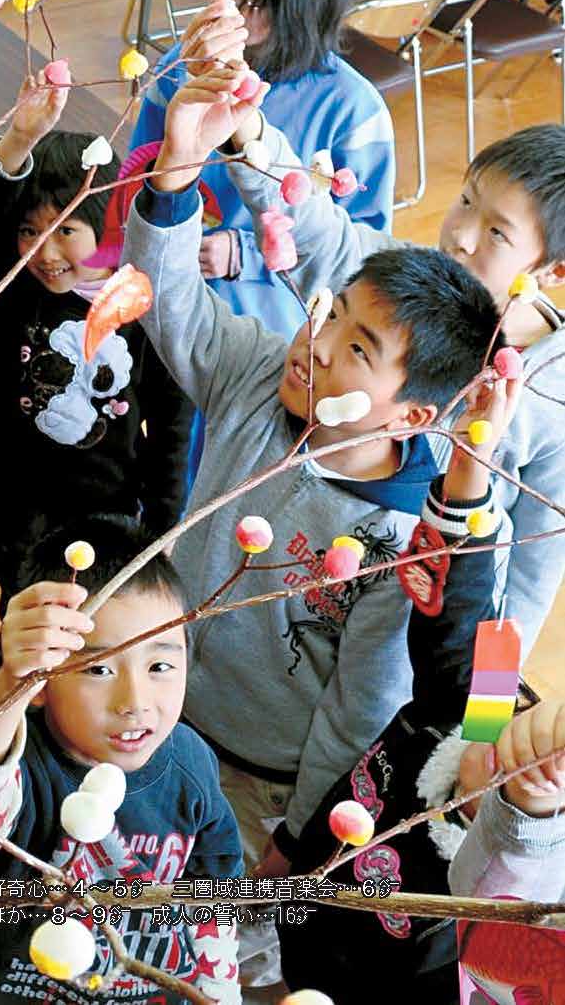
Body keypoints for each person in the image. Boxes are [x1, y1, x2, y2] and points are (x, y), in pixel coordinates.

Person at [124, 56, 499, 1000]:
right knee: (128, 903)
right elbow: (170, 305)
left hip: (261, 782)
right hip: (157, 715)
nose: (316, 343)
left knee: (216, 949)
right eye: (329, 315)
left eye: (356, 350)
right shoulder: (261, 374)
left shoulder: (396, 538)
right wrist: (176, 169)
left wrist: (296, 836)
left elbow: (357, 709)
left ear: (413, 415)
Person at [217, 0, 565, 653]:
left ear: (553, 271)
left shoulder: (552, 403)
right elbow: (317, 230)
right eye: (465, 201)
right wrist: (250, 132)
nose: (459, 234)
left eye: (496, 232)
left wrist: (487, 696)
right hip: (305, 568)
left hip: (421, 633)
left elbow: (531, 567)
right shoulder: (404, 277)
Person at [0, 515, 243, 1003]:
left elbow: (214, 891)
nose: (135, 701)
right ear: (42, 682)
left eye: (160, 665)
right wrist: (11, 683)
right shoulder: (17, 768)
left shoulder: (191, 764)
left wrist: (217, 988)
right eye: (99, 669)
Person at [278, 371, 519, 1002]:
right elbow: (459, 608)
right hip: (288, 902)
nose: (533, 761)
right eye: (544, 742)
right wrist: (470, 469)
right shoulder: (485, 706)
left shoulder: (498, 907)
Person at [0, 76, 188, 611]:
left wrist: (164, 521)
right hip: (18, 502)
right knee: (20, 609)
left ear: (108, 228)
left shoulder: (141, 307)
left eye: (65, 230)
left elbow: (172, 423)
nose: (46, 252)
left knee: (93, 620)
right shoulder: (15, 291)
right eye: (29, 231)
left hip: (107, 508)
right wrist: (17, 141)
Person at [130, 0, 394, 341]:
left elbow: (364, 261)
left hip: (273, 330)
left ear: (295, 10)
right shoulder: (183, 65)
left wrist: (246, 254)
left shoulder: (354, 112)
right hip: (166, 302)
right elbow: (135, 179)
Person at [448, 698, 565, 996]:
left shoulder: (481, 878)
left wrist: (533, 792)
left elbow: (511, 873)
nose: (507, 757)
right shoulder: (460, 728)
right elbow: (486, 695)